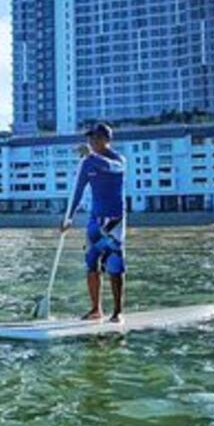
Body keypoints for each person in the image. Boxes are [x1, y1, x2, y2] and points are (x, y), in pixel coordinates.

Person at [60, 123, 128, 322]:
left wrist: (92, 156)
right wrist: (68, 216)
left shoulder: (118, 160)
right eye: (90, 138)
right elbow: (78, 190)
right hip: (95, 220)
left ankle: (117, 312)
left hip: (114, 220)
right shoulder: (87, 163)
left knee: (115, 266)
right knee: (91, 264)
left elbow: (111, 167)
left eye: (97, 138)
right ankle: (96, 309)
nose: (92, 141)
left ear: (107, 140)